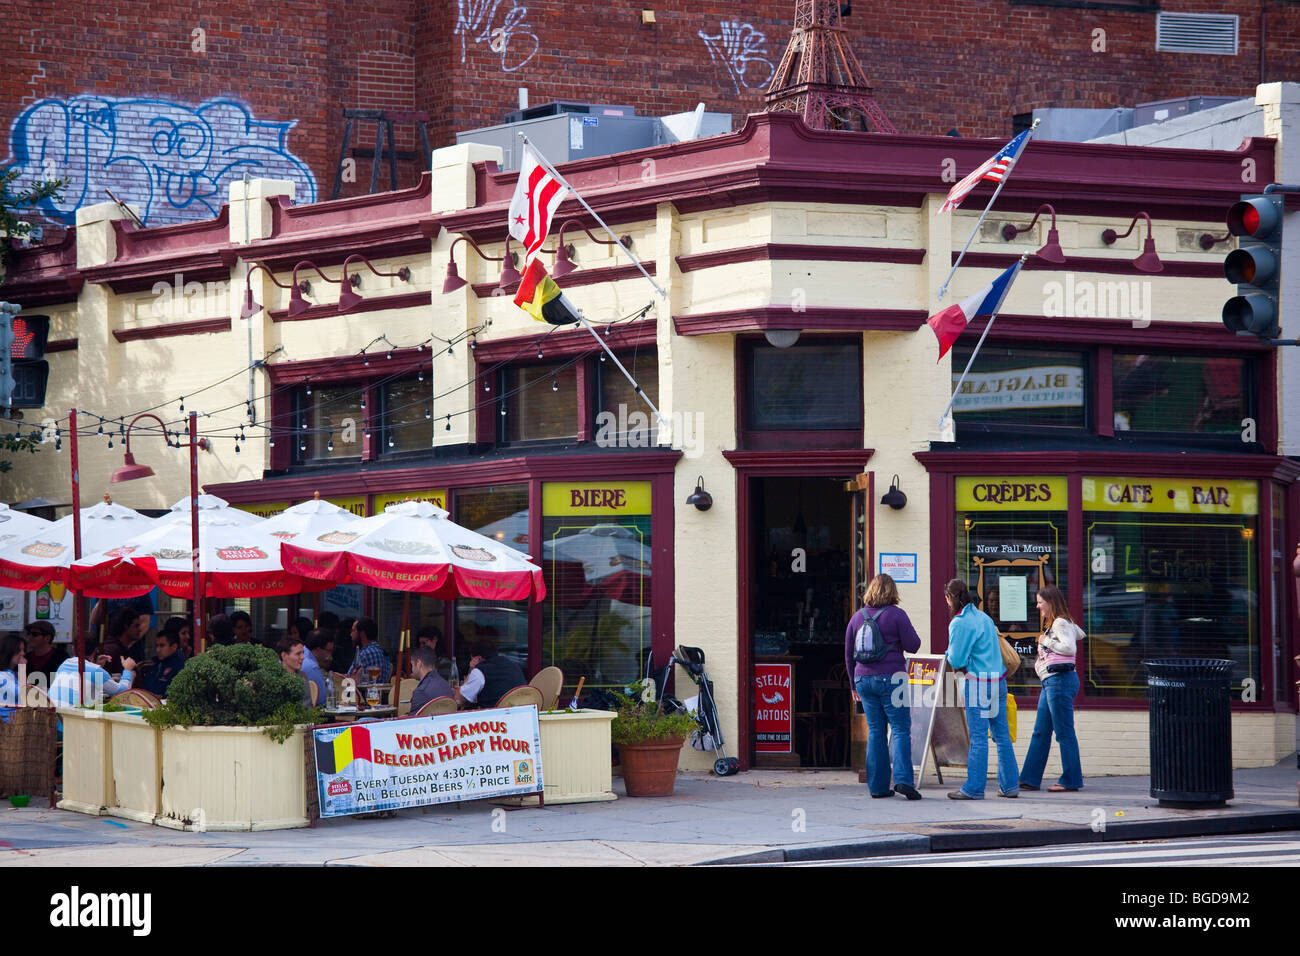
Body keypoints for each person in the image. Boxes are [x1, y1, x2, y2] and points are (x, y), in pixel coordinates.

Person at [845, 573, 922, 800]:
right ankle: (903, 781)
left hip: (863, 680)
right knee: (899, 729)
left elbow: (849, 654)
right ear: (892, 592)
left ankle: (878, 787)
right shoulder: (897, 615)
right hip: (892, 678)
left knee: (876, 731)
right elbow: (914, 646)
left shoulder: (857, 618)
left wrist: (853, 684)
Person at [943, 577, 1020, 800]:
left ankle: (974, 788)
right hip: (999, 682)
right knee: (1002, 735)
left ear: (949, 598)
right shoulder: (984, 618)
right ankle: (1010, 786)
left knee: (978, 738)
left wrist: (948, 654)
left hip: (978, 684)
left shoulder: (958, 622)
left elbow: (956, 659)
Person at [1019, 585, 1084, 793]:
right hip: (1052, 682)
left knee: (1064, 732)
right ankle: (1029, 778)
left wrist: (1045, 640)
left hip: (1060, 681)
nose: (1038, 606)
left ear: (1051, 603)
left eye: (1040, 602)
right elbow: (1078, 634)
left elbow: (1070, 647)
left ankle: (1071, 780)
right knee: (1041, 731)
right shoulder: (1059, 623)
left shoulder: (1059, 622)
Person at [456, 636, 525, 709]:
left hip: (493, 717)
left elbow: (461, 699)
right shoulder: (513, 665)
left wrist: (471, 670)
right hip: (519, 713)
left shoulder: (480, 671)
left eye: (472, 659)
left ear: (478, 658)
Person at [50, 651, 138, 707]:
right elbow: (122, 692)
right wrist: (127, 670)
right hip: (69, 723)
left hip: (53, 720)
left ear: (73, 648)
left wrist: (94, 664)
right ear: (95, 652)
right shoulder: (95, 670)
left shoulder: (64, 664)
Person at [140, 626, 186, 698]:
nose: (158, 650)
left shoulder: (181, 667)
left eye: (162, 646)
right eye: (157, 646)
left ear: (174, 646)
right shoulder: (151, 664)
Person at [408, 645, 455, 714]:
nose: (411, 670)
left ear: (419, 664)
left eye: (412, 665)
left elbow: (412, 721)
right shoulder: (446, 686)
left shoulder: (421, 691)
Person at [346, 617, 391, 684]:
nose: (350, 634)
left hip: (366, 693)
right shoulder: (380, 651)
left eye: (353, 630)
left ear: (362, 633)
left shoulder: (366, 653)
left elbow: (349, 680)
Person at [23, 621, 67, 687]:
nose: (29, 637)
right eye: (28, 633)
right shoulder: (25, 658)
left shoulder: (62, 658)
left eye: (35, 634)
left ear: (47, 638)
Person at [277, 635, 312, 706]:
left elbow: (307, 706)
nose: (303, 657)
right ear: (284, 656)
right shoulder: (274, 677)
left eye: (303, 653)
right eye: (298, 654)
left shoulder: (302, 676)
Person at [300, 628, 332, 706]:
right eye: (329, 650)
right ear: (318, 650)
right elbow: (322, 699)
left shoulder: (302, 655)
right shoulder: (311, 666)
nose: (330, 654)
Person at [0, 633, 27, 722]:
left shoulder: (14, 674)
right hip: (8, 725)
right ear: (9, 651)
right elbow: (26, 694)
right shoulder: (2, 676)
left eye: (23, 650)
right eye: (19, 650)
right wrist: (23, 668)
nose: (23, 653)